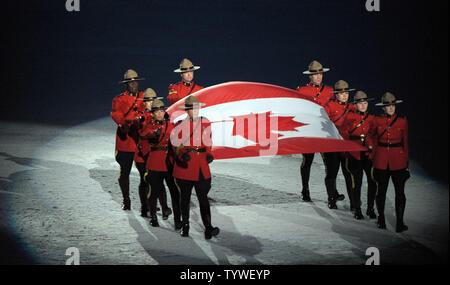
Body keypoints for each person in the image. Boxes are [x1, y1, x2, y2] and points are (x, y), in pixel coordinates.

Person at [170, 96, 219, 240]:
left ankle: (208, 228)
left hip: (201, 167)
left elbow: (208, 141)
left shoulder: (205, 123)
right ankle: (185, 226)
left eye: (196, 108)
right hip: (185, 167)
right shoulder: (179, 125)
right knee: (184, 199)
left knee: (203, 198)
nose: (195, 111)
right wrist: (182, 154)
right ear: (187, 110)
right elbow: (175, 144)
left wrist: (209, 154)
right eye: (192, 109)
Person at [370, 92, 410, 232]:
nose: (391, 108)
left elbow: (405, 143)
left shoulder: (402, 121)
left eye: (393, 105)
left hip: (398, 161)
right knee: (381, 191)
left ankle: (400, 222)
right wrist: (373, 155)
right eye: (388, 106)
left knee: (400, 193)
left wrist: (406, 164)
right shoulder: (376, 121)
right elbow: (372, 138)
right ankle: (381, 218)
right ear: (383, 108)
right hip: (381, 160)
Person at [296, 60, 334, 202]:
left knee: (329, 164)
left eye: (320, 74)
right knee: (307, 161)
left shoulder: (330, 90)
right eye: (315, 74)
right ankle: (305, 190)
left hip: (324, 131)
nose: (318, 76)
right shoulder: (302, 91)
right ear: (310, 76)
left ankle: (332, 194)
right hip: (309, 130)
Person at [140, 99, 182, 229]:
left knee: (175, 192)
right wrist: (154, 133)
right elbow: (144, 135)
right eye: (156, 111)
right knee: (154, 191)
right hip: (155, 162)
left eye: (161, 111)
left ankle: (177, 220)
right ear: (152, 113)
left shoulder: (171, 125)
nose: (159, 113)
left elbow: (177, 140)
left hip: (168, 162)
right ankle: (153, 217)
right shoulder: (149, 125)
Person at [134, 88, 172, 218]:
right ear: (144, 103)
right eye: (149, 101)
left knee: (159, 182)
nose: (151, 103)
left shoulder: (160, 115)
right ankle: (145, 208)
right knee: (145, 181)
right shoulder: (141, 117)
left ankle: (164, 207)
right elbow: (142, 135)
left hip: (155, 155)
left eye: (153, 100)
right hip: (142, 155)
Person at [110, 69, 145, 210]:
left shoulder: (144, 97)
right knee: (124, 172)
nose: (133, 84)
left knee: (146, 174)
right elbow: (116, 112)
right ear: (126, 84)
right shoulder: (119, 99)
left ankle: (147, 202)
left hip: (140, 141)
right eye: (130, 82)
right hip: (125, 141)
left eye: (135, 81)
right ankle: (126, 199)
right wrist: (123, 123)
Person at [340, 91, 377, 219]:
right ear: (355, 105)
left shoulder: (372, 118)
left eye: (365, 103)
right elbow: (344, 136)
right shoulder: (349, 117)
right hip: (354, 155)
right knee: (357, 183)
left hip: (368, 154)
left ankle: (370, 209)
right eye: (360, 103)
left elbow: (374, 136)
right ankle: (357, 210)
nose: (363, 105)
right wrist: (347, 153)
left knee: (372, 182)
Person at [323, 80, 357, 209]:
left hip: (347, 147)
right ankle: (331, 199)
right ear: (336, 94)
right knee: (332, 173)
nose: (344, 95)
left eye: (346, 93)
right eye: (341, 93)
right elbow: (323, 122)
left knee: (349, 175)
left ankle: (353, 203)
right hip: (332, 145)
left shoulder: (352, 108)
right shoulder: (329, 106)